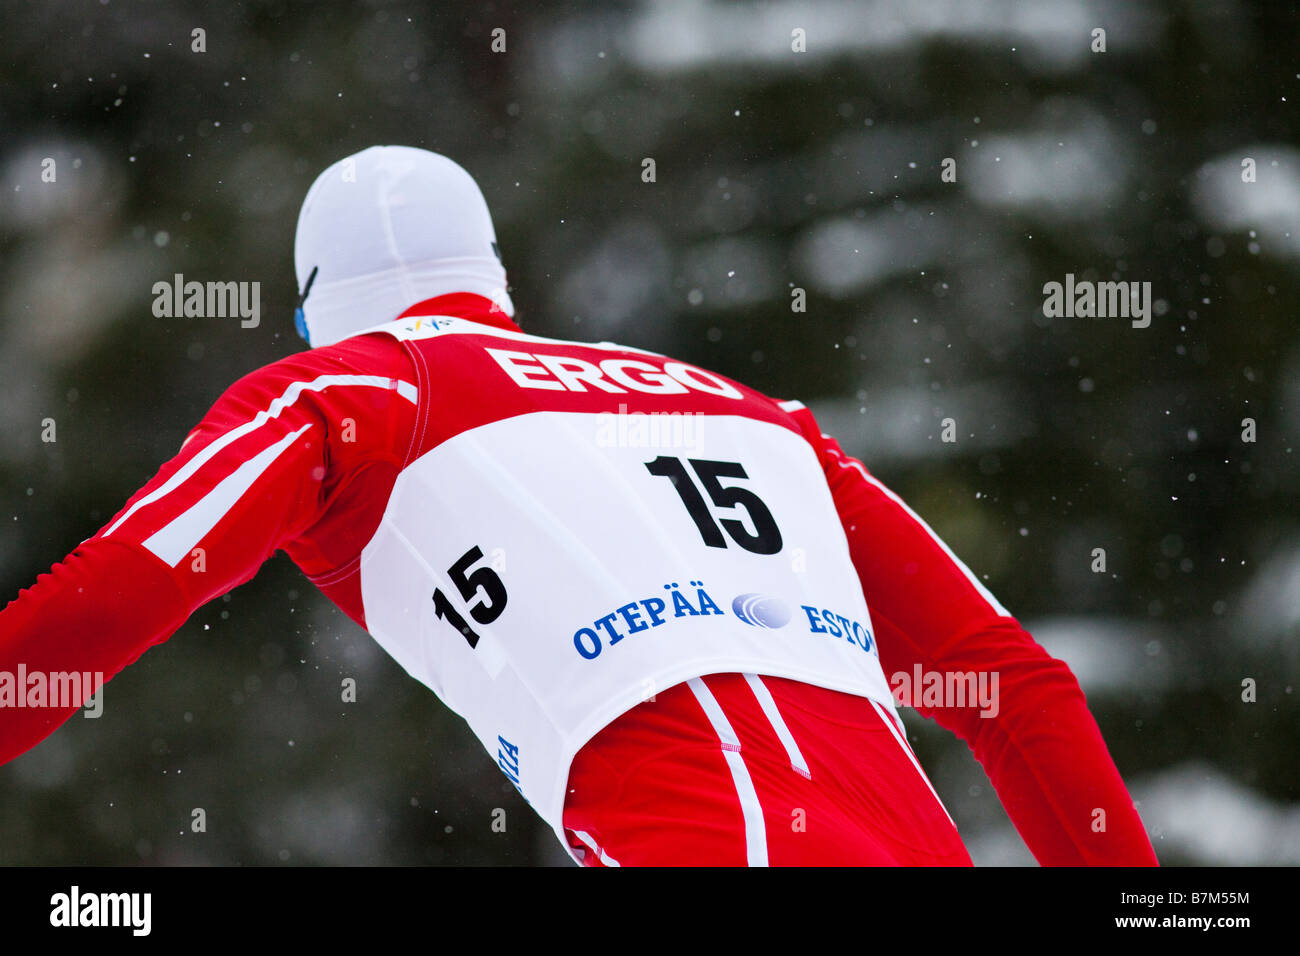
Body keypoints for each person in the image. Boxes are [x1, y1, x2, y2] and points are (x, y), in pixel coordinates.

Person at [0, 145, 1158, 866]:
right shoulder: (750, 411)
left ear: (315, 318)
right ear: (497, 287)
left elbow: (116, 588)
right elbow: (1010, 685)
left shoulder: (348, 387)